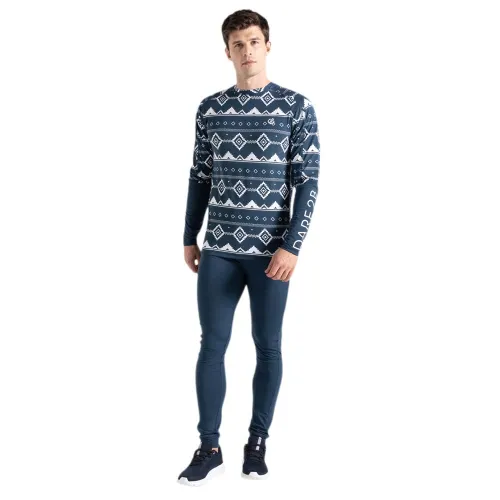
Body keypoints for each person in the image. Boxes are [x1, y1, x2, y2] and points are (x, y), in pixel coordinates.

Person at [178, 9, 320, 486]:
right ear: (227, 52)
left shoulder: (296, 108)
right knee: (211, 346)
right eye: (238, 44)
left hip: (270, 253)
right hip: (218, 248)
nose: (247, 51)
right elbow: (199, 176)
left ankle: (257, 443)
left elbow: (308, 181)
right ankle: (208, 447)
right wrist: (188, 235)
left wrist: (292, 245)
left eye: (254, 42)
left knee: (269, 346)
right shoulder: (209, 109)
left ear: (268, 46)